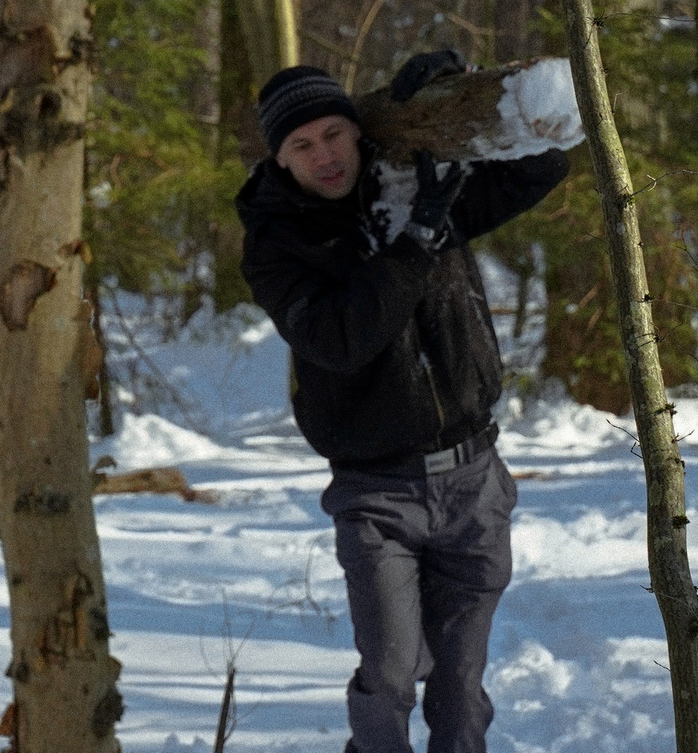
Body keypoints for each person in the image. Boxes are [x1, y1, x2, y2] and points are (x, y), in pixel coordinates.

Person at [236, 53, 569, 753]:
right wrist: (417, 239)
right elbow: (342, 337)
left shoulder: (415, 182)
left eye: (334, 133)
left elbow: (546, 163)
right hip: (376, 492)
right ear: (281, 159)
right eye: (302, 145)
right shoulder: (276, 244)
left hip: (474, 483)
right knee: (390, 675)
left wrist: (459, 104)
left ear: (358, 131)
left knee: (459, 687)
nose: (324, 154)